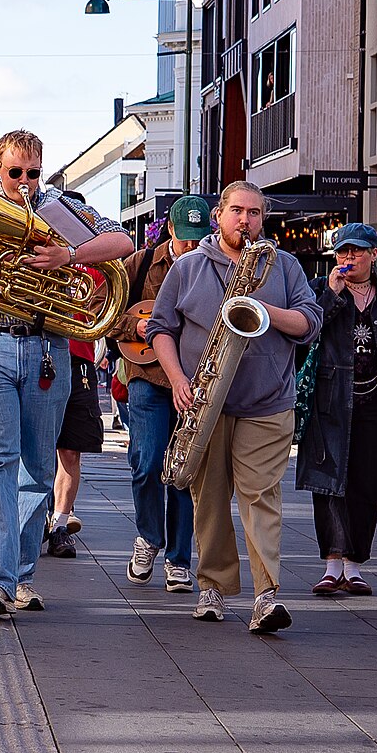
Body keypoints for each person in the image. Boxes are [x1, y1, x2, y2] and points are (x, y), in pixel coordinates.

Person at [0, 130, 133, 617]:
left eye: (32, 172)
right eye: (13, 172)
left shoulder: (58, 203)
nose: (23, 182)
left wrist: (69, 255)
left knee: (37, 467)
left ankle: (22, 576)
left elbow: (121, 239)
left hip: (46, 346)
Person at [150, 181, 321, 634]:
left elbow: (309, 321)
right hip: (206, 401)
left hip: (267, 402)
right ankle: (213, 587)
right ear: (218, 216)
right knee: (208, 500)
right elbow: (160, 328)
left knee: (260, 494)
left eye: (255, 213)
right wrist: (177, 379)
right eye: (238, 211)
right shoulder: (187, 267)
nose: (246, 221)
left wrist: (262, 308)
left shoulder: (282, 266)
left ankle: (266, 596)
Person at [297, 224, 377, 597]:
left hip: (374, 405)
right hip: (330, 404)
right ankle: (331, 565)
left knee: (364, 485)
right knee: (328, 484)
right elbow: (308, 333)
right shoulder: (321, 291)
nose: (347, 258)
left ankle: (354, 567)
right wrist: (334, 296)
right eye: (341, 253)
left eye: (355, 252)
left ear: (373, 254)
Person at [111, 195, 208, 595]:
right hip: (147, 377)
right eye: (185, 238)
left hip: (195, 380)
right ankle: (149, 537)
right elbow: (105, 312)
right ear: (170, 230)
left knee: (182, 472)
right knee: (146, 462)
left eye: (199, 238)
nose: (192, 246)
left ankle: (179, 561)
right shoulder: (142, 263)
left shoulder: (212, 266)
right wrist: (133, 329)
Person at [47, 333, 103, 558]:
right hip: (36, 347)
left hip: (78, 355)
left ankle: (60, 524)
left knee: (70, 450)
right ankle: (34, 518)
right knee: (33, 445)